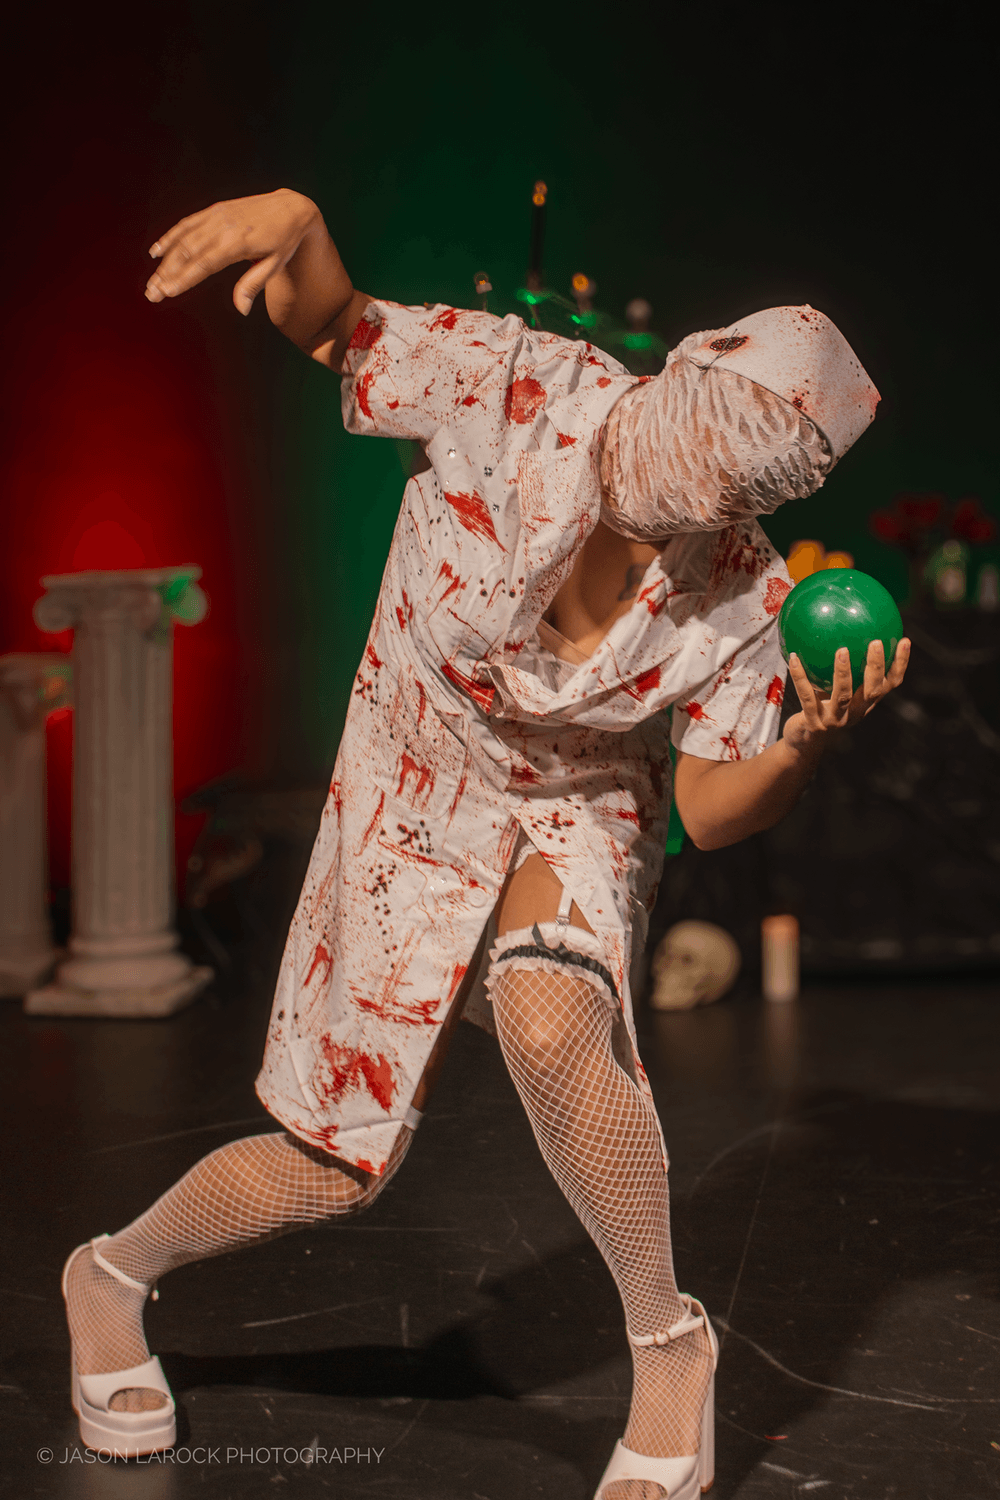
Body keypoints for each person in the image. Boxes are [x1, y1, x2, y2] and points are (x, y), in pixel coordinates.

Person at [62, 188, 909, 1499]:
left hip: (584, 796)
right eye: (690, 444)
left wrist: (801, 742)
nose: (686, 495)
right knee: (336, 1167)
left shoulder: (747, 587)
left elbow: (704, 808)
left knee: (550, 1017)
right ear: (677, 378)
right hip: (416, 781)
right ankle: (109, 1275)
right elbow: (337, 322)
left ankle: (670, 1343)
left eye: (731, 487)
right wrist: (296, 222)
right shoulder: (515, 387)